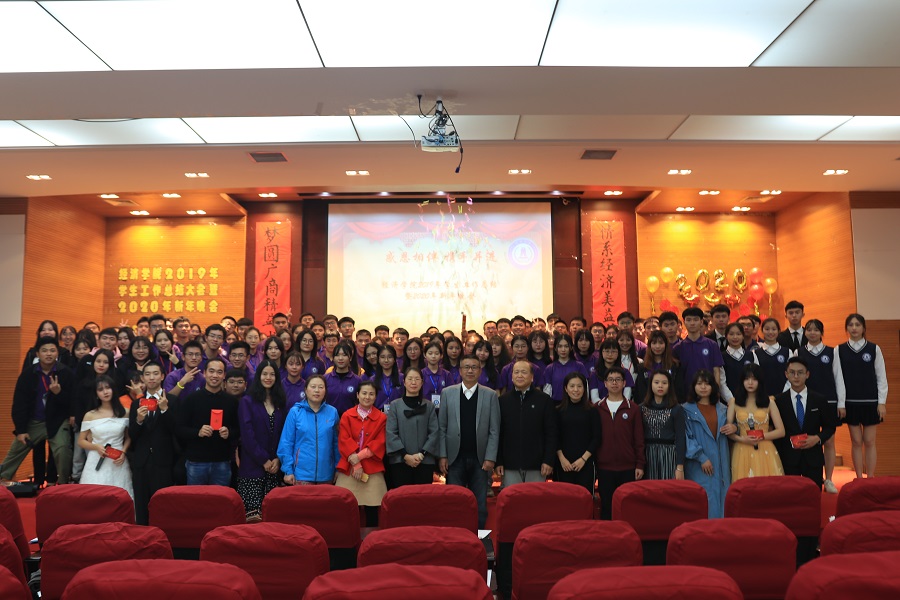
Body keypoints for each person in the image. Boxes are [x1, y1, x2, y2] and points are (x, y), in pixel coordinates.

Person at [1, 337, 74, 484]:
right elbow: (19, 404)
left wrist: (59, 393)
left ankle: (63, 483)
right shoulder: (28, 374)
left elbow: (73, 401)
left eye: (52, 350)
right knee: (16, 450)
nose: (49, 354)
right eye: (44, 350)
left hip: (57, 422)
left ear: (57, 353)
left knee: (63, 449)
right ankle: (3, 477)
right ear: (37, 354)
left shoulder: (65, 373)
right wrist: (21, 430)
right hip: (34, 421)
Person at [438, 356, 501, 529]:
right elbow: (442, 427)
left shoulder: (490, 395)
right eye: (466, 367)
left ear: (480, 371)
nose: (470, 370)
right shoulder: (448, 393)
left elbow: (494, 430)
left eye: (474, 367)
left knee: (480, 505)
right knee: (454, 502)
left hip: (480, 459)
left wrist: (490, 457)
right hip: (454, 458)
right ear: (460, 371)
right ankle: (456, 537)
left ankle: (480, 539)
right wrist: (443, 455)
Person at [836, 313, 888, 479]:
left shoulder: (874, 349)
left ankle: (870, 477)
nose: (854, 328)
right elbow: (838, 379)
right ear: (846, 328)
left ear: (864, 328)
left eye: (857, 325)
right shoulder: (839, 350)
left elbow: (881, 377)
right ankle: (859, 477)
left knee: (870, 441)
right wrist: (841, 403)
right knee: (856, 441)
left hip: (871, 402)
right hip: (850, 403)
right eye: (850, 325)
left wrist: (881, 402)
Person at [775, 357, 836, 489]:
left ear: (807, 374)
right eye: (792, 372)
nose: (796, 376)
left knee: (813, 495)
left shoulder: (819, 399)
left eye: (800, 372)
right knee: (790, 495)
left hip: (813, 457)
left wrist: (817, 438)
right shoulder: (779, 401)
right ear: (786, 374)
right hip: (789, 458)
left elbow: (830, 427)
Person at [176, 358, 238, 486]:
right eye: (211, 371)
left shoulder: (232, 401)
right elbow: (179, 429)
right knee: (196, 498)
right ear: (204, 373)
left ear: (224, 375)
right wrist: (197, 432)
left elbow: (239, 430)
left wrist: (229, 433)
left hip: (222, 461)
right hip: (196, 461)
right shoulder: (191, 399)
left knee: (221, 497)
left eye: (219, 372)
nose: (215, 375)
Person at [237, 360, 287, 521]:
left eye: (272, 374)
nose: (268, 377)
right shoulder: (247, 401)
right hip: (253, 467)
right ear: (258, 376)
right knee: (252, 519)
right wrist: (263, 460)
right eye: (264, 374)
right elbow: (247, 436)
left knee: (272, 518)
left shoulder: (280, 403)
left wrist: (278, 459)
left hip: (274, 468)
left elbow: (284, 434)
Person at [129, 362, 176, 525]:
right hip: (141, 461)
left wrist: (165, 410)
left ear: (162, 376)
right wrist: (138, 420)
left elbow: (176, 430)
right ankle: (142, 536)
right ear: (142, 378)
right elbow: (132, 435)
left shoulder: (172, 401)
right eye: (147, 374)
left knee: (163, 505)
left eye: (155, 373)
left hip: (164, 461)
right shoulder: (136, 403)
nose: (152, 377)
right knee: (141, 505)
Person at [594, 366, 644, 520]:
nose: (614, 383)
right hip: (604, 467)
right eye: (610, 380)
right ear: (605, 383)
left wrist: (640, 464)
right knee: (607, 507)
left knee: (627, 507)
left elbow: (639, 439)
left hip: (628, 467)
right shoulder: (597, 408)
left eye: (618, 380)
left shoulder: (633, 408)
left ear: (624, 383)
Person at [683, 370, 735, 519]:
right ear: (693, 386)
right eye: (699, 383)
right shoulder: (686, 410)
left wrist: (734, 427)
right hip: (699, 465)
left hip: (721, 463)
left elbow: (735, 427)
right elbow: (686, 438)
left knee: (723, 501)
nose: (703, 387)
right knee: (703, 501)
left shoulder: (723, 409)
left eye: (707, 383)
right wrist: (701, 457)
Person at [497, 361, 557, 487]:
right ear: (511, 376)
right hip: (510, 464)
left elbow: (551, 433)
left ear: (532, 377)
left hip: (537, 465)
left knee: (535, 498)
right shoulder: (502, 401)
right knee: (512, 498)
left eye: (524, 372)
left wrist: (548, 460)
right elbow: (498, 433)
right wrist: (499, 461)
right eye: (516, 372)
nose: (520, 375)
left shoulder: (544, 400)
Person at [335, 381, 387, 526]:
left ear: (375, 397)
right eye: (364, 393)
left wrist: (358, 457)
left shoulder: (382, 417)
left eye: (371, 394)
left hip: (372, 466)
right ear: (357, 395)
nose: (367, 397)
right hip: (349, 466)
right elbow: (344, 440)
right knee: (347, 509)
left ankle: (372, 538)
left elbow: (380, 442)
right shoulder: (347, 415)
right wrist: (356, 464)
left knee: (373, 509)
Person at [799, 319, 841, 493]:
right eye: (809, 330)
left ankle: (829, 479)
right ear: (805, 333)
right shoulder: (799, 351)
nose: (812, 333)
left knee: (829, 440)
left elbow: (838, 377)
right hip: (807, 402)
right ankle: (811, 477)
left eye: (816, 330)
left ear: (822, 333)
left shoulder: (832, 352)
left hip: (829, 401)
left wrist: (841, 402)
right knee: (809, 439)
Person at [726, 364, 785, 482]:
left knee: (766, 486)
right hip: (742, 449)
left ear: (760, 381)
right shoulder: (734, 402)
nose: (750, 383)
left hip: (765, 449)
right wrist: (742, 439)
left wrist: (761, 436)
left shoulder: (769, 402)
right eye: (747, 379)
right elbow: (728, 430)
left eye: (754, 379)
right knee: (744, 486)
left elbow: (781, 431)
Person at [278, 375, 340, 485]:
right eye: (313, 386)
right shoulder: (295, 412)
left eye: (321, 387)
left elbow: (336, 443)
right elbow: (286, 442)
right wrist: (288, 470)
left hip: (326, 475)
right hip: (301, 475)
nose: (317, 390)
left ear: (325, 391)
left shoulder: (332, 412)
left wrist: (338, 468)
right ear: (306, 390)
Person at [78, 375, 133, 497]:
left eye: (108, 388)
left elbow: (128, 437)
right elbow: (81, 441)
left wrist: (123, 452)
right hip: (96, 458)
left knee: (120, 494)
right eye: (100, 389)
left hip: (118, 459)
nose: (105, 392)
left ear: (113, 389)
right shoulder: (90, 415)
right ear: (96, 394)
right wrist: (96, 447)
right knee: (94, 495)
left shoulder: (125, 412)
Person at [385, 368, 440, 486]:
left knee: (423, 495)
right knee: (402, 495)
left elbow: (434, 432)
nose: (413, 382)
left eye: (417, 379)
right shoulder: (395, 405)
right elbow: (391, 433)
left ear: (422, 382)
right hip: (400, 460)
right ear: (404, 382)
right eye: (410, 379)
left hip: (424, 461)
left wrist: (421, 455)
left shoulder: (429, 406)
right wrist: (405, 456)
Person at [556, 372, 601, 494]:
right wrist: (562, 459)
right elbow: (554, 437)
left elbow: (596, 437)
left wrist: (583, 459)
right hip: (564, 464)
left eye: (579, 386)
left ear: (584, 388)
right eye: (572, 386)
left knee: (585, 499)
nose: (576, 390)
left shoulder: (592, 411)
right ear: (566, 388)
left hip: (586, 463)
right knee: (565, 499)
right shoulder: (558, 411)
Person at [641, 371, 686, 481]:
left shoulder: (677, 409)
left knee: (668, 489)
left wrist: (680, 467)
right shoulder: (641, 408)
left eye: (664, 383)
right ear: (650, 384)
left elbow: (681, 438)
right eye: (656, 382)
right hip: (648, 455)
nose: (660, 386)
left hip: (669, 455)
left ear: (669, 386)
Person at [673, 307, 724, 399]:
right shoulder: (678, 348)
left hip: (707, 393)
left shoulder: (712, 345)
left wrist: (715, 391)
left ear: (701, 322)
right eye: (689, 320)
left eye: (695, 320)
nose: (692, 323)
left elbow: (716, 371)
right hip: (686, 395)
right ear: (684, 322)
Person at [542, 334, 588, 402]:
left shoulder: (579, 366)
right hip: (555, 404)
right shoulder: (550, 368)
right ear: (555, 348)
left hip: (575, 403)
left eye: (566, 346)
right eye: (560, 346)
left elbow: (585, 388)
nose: (563, 350)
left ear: (571, 348)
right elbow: (547, 392)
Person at [753, 318, 792, 396]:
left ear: (779, 331)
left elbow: (791, 374)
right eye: (767, 329)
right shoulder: (755, 353)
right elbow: (755, 376)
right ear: (762, 331)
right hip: (762, 395)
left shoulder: (787, 352)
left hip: (784, 395)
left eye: (774, 329)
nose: (770, 332)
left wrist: (784, 393)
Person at [720, 322, 756, 402]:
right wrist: (731, 400)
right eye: (731, 334)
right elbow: (722, 383)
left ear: (743, 336)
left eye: (738, 334)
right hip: (728, 401)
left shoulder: (751, 355)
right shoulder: (721, 356)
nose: (735, 337)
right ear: (726, 336)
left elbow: (757, 377)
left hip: (749, 400)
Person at [324, 342, 361, 415]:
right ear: (333, 358)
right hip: (329, 418)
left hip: (350, 418)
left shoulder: (357, 380)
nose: (340, 358)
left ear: (350, 358)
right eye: (337, 355)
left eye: (344, 355)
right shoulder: (325, 379)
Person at [368, 344, 404, 411]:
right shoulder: (372, 379)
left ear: (394, 359)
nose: (386, 360)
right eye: (382, 357)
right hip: (378, 414)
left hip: (398, 413)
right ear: (378, 359)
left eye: (390, 357)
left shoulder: (402, 378)